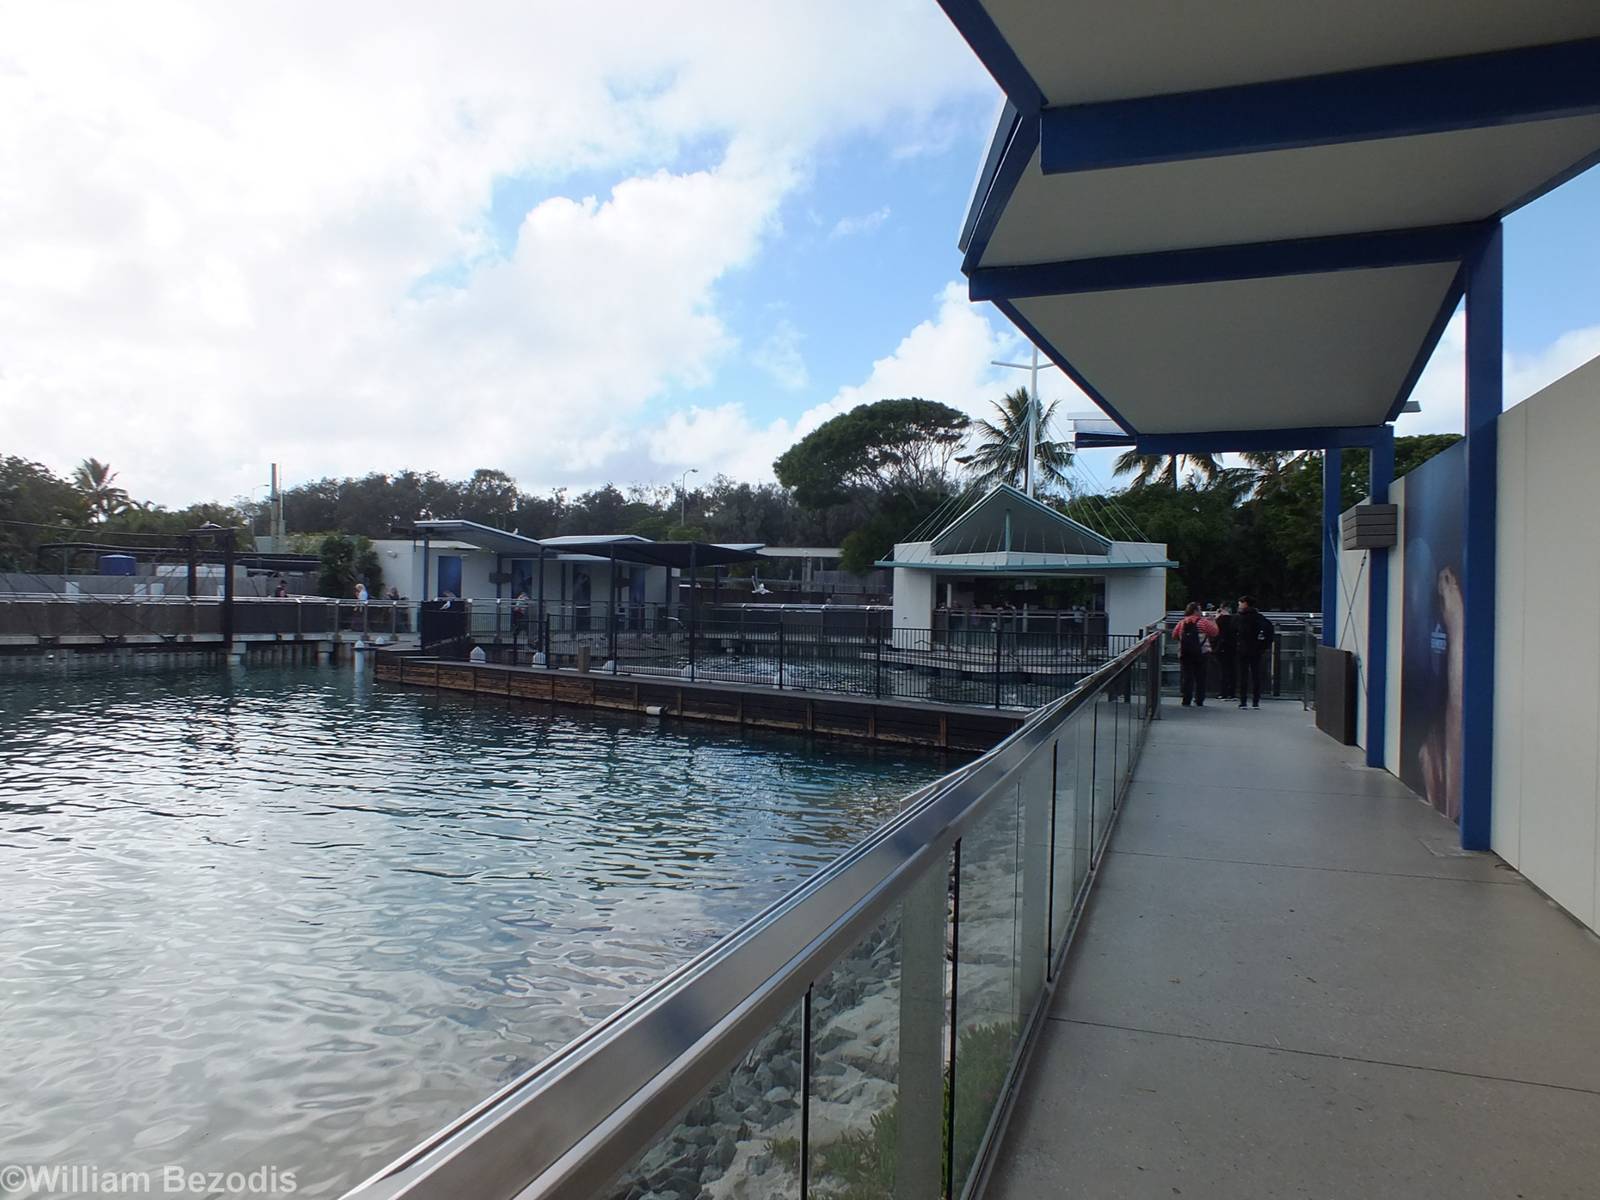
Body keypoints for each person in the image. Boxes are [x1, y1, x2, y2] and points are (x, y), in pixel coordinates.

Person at [1172, 602, 1220, 707]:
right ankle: (1199, 700)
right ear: (1195, 611)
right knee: (1201, 677)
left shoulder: (1182, 623)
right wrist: (1213, 621)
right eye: (1199, 610)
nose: (1200, 612)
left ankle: (1186, 699)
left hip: (1185, 653)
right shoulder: (1203, 622)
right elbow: (1215, 632)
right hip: (1202, 653)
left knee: (1187, 677)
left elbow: (1174, 635)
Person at [1234, 595, 1275, 709]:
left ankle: (1243, 701)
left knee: (1243, 675)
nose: (1239, 605)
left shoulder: (1239, 618)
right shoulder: (1259, 618)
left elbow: (1233, 632)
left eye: (1240, 603)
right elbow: (1269, 632)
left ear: (1245, 604)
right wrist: (1263, 647)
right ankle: (1256, 701)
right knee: (1256, 675)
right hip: (1256, 650)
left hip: (1242, 650)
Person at [1213, 603, 1237, 699]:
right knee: (1232, 670)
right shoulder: (1235, 619)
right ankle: (1232, 692)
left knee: (1223, 670)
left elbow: (1213, 631)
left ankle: (1223, 692)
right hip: (1233, 647)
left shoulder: (1220, 620)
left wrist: (1216, 617)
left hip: (1221, 647)